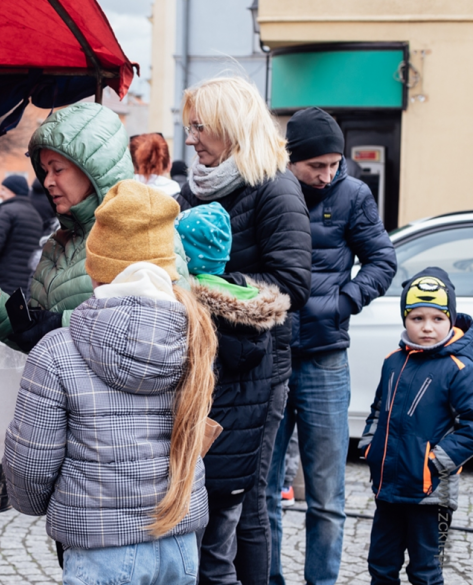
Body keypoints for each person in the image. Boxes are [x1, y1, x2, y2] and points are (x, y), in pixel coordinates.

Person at [3, 180, 216, 584]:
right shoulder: (197, 339)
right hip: (180, 544)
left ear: (97, 268)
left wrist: (44, 504)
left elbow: (31, 469)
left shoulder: (57, 352)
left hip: (100, 553)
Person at [174, 76, 312, 585]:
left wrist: (209, 286)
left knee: (248, 503)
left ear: (231, 127)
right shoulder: (196, 186)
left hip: (255, 370)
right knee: (203, 496)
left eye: (199, 127)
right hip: (204, 364)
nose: (190, 138)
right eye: (189, 127)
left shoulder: (275, 187)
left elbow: (292, 283)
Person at [266, 107, 397, 585]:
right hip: (272, 358)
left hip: (325, 358)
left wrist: (345, 300)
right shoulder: (269, 190)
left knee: (327, 493)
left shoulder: (353, 194)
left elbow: (382, 260)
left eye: (333, 164)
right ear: (291, 160)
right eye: (315, 166)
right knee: (265, 490)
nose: (326, 175)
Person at [0, 102, 190, 353]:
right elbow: (33, 334)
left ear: (93, 168)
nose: (48, 182)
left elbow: (163, 331)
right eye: (44, 171)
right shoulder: (57, 242)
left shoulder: (143, 231)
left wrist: (59, 325)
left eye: (58, 169)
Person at [176, 204, 290, 585]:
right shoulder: (256, 310)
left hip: (199, 467)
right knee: (220, 562)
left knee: (186, 562)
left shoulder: (191, 312)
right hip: (238, 474)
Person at [358, 267, 473, 585]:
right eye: (417, 318)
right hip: (388, 489)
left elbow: (471, 427)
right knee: (381, 566)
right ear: (405, 319)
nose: (427, 327)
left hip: (430, 494)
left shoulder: (459, 368)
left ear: (450, 318)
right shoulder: (393, 360)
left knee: (425, 571)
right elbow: (379, 410)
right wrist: (370, 445)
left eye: (437, 318)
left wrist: (434, 463)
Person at [0, 175, 43, 337]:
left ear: (13, 191)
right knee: (13, 328)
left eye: (4, 190)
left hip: (0, 279)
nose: (0, 193)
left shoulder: (7, 211)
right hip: (22, 283)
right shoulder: (36, 215)